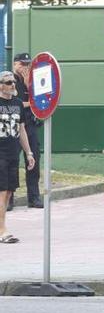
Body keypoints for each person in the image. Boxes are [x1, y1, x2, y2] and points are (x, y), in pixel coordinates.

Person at [0, 70, 35, 243]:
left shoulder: (18, 104)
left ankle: (2, 226)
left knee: (8, 192)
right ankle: (2, 230)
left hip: (14, 152)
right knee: (1, 191)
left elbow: (22, 130)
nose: (13, 84)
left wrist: (29, 153)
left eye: (13, 82)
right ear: (0, 85)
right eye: (8, 82)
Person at [11, 53, 42, 209]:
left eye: (28, 64)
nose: (26, 68)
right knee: (12, 161)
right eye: (23, 64)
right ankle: (9, 198)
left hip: (30, 124)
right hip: (13, 124)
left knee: (33, 159)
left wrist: (30, 84)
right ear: (15, 64)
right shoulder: (10, 81)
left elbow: (41, 101)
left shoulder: (32, 81)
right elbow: (16, 103)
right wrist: (31, 103)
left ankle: (34, 197)